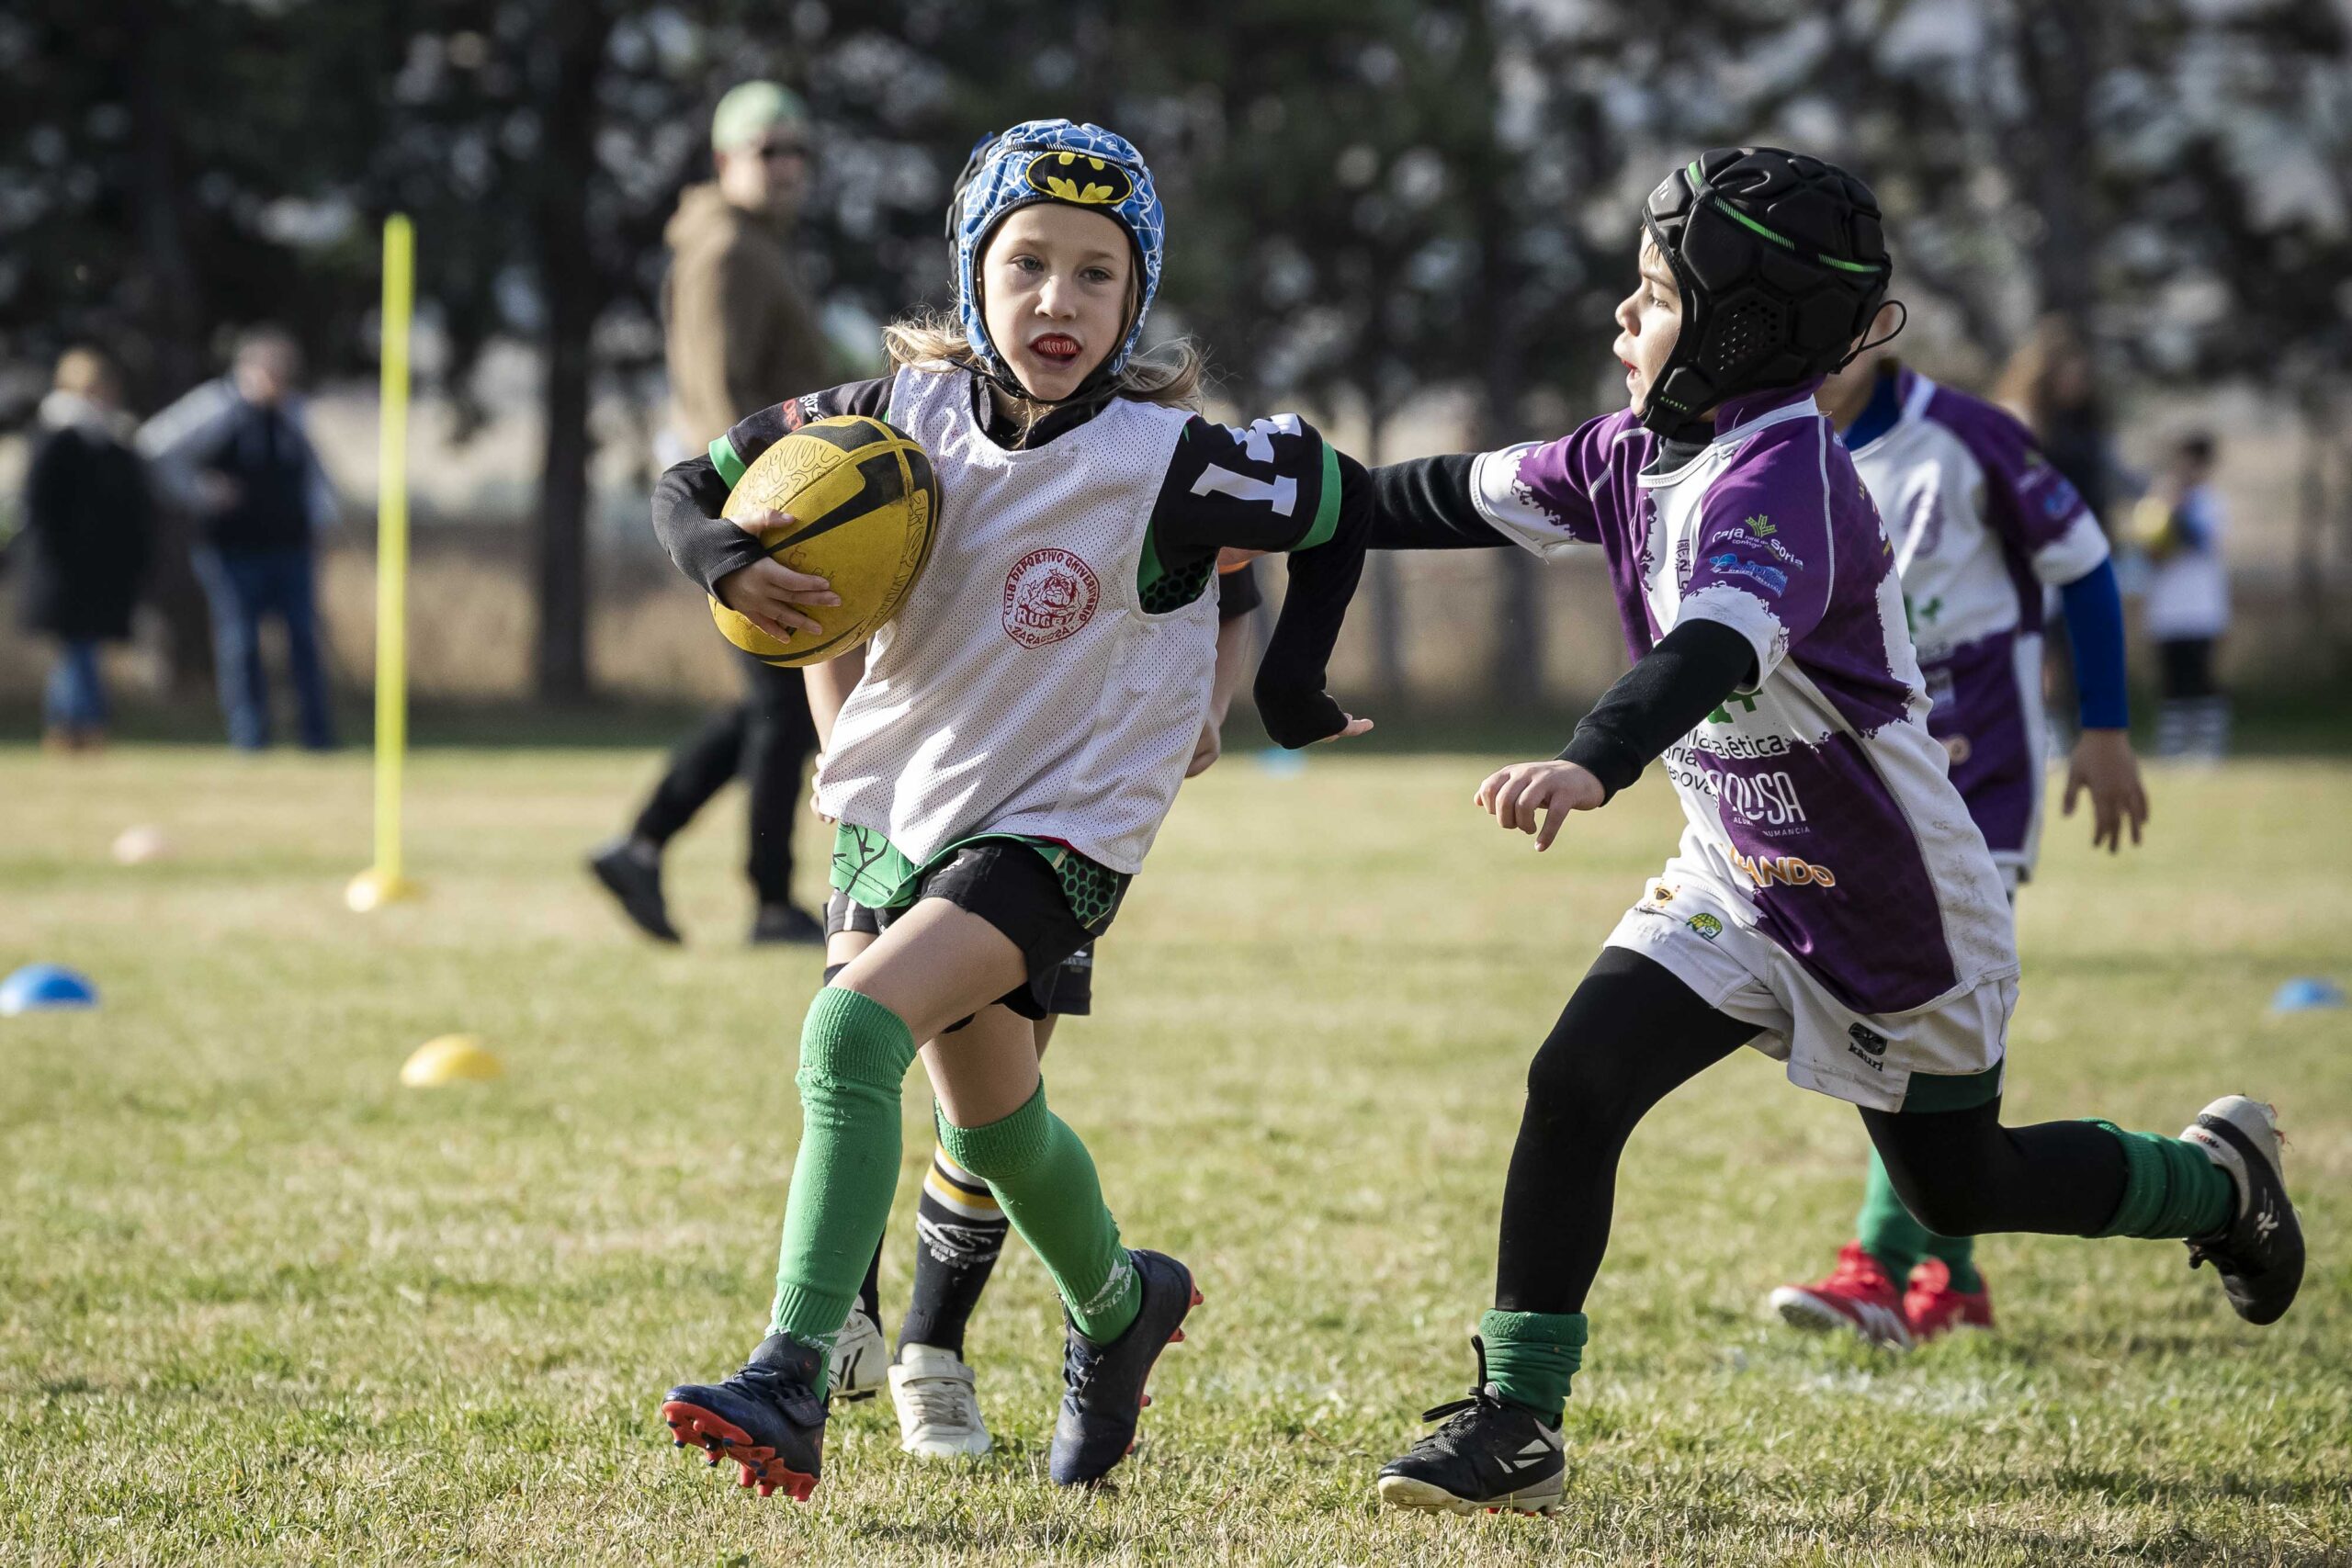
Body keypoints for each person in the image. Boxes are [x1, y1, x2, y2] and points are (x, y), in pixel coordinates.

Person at [1313, 148, 2301, 1517]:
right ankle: (1516, 1416)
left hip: (1894, 908)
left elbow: (1714, 645)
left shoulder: (1783, 478)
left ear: (1731, 330)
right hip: (1735, 878)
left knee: (1963, 1183)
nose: (1620, 317)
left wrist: (1594, 761)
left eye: (1650, 294)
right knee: (1575, 1079)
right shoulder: (1625, 452)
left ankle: (2215, 1185)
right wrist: (1277, 493)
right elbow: (1427, 496)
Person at [648, 119, 1373, 1501]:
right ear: (971, 270)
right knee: (992, 1127)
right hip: (906, 811)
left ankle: (794, 1366)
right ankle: (1120, 1303)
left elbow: (1339, 504)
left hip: (1060, 833)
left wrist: (1280, 685)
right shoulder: (889, 419)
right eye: (1027, 261)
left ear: (1135, 300)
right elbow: (689, 486)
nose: (1058, 299)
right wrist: (727, 563)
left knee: (849, 1027)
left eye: (1098, 274)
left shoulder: (1173, 458)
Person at [810, 555, 1265, 1461]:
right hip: (901, 795)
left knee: (984, 1114)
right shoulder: (920, 429)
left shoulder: (1152, 458)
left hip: (1053, 812)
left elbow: (1232, 604)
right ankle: (835, 1319)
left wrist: (1208, 711)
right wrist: (845, 748)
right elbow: (817, 593)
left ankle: (932, 1355)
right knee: (850, 1033)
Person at [1762, 322, 2150, 1348]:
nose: (1817, 353)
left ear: (1877, 326)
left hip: (1982, 767)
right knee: (1889, 1008)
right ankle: (1953, 1268)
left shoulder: (1969, 436)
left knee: (1927, 1003)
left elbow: (2087, 567)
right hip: (1860, 774)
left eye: (1836, 330)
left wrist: (2105, 728)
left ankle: (1879, 1270)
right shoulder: (1777, 449)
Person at [589, 81, 831, 946]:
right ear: (726, 159)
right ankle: (769, 901)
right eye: (769, 151)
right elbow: (721, 402)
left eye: (798, 150)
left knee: (774, 710)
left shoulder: (756, 245)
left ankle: (640, 844)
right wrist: (739, 527)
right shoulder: (727, 249)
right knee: (783, 712)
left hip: (771, 505)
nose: (788, 167)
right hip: (750, 516)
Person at [141, 327, 338, 751]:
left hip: (292, 547)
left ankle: (316, 737)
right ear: (247, 369)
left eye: (284, 374)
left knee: (304, 640)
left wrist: (323, 519)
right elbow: (153, 447)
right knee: (241, 642)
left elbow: (316, 476)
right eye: (270, 372)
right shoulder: (216, 407)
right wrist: (199, 490)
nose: (278, 382)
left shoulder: (293, 413)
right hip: (232, 550)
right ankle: (250, 738)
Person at [14, 348, 154, 751]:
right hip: (62, 570)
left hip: (100, 572)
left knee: (81, 653)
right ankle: (80, 727)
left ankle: (72, 727)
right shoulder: (55, 437)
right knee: (78, 653)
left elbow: (133, 506)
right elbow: (38, 505)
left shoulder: (115, 440)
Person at [2136, 433, 2231, 762]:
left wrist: (2177, 509)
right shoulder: (2157, 502)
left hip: (2202, 608)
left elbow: (2200, 540)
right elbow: (2150, 549)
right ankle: (2174, 749)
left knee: (2201, 677)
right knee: (2172, 681)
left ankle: (2207, 748)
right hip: (2167, 609)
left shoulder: (2210, 502)